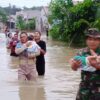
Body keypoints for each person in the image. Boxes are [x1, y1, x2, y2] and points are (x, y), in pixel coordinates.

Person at [70, 28, 100, 100]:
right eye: (90, 39)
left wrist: (96, 65)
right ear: (86, 40)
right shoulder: (81, 52)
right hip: (84, 88)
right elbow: (74, 68)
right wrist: (74, 65)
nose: (92, 42)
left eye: (95, 39)